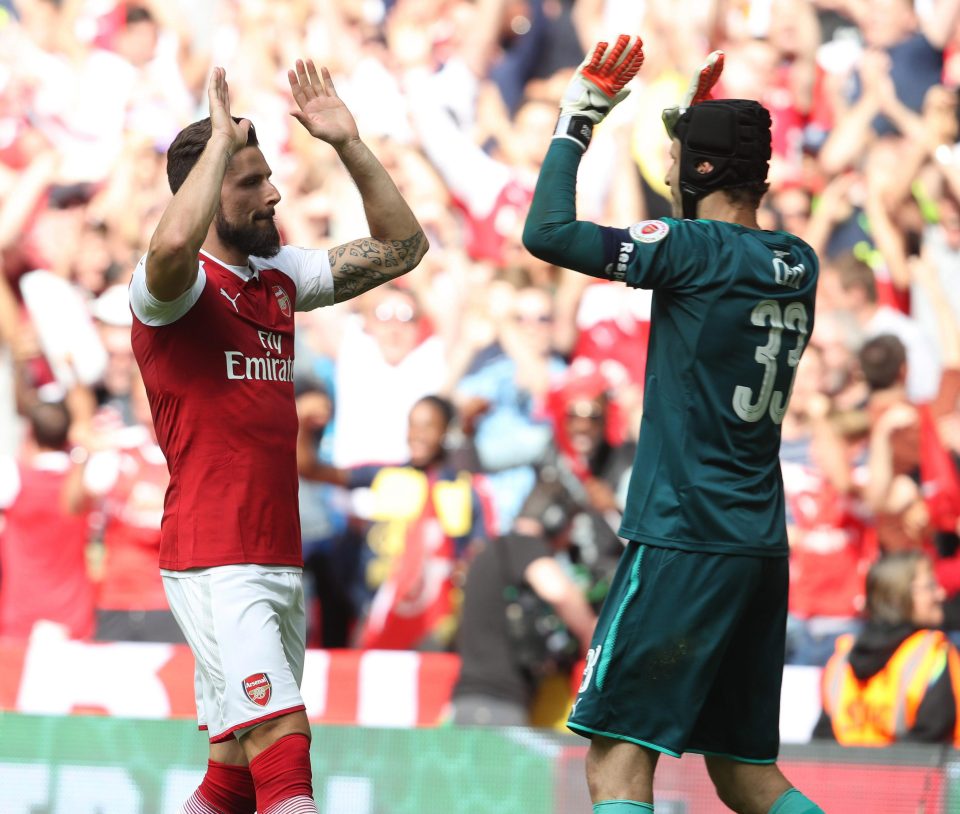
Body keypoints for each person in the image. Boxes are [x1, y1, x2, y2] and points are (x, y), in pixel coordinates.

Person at [522, 39, 824, 814]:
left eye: (677, 161)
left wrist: (579, 118)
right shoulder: (798, 260)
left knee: (616, 766)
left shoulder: (691, 252)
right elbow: (701, 243)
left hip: (682, 538)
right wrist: (697, 141)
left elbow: (548, 234)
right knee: (747, 776)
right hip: (757, 543)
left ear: (694, 175)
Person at [129, 61, 427, 814]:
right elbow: (168, 250)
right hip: (215, 555)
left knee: (231, 774)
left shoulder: (278, 277)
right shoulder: (172, 289)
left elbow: (403, 247)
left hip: (274, 552)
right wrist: (214, 153)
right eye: (248, 180)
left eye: (267, 177)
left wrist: (350, 145)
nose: (273, 193)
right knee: (286, 752)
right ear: (205, 194)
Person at [297, 394, 487, 651]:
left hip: (436, 623)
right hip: (376, 613)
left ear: (446, 431)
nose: (417, 434)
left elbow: (478, 552)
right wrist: (302, 424)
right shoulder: (385, 476)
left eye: (428, 426)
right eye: (413, 425)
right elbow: (310, 469)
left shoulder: (464, 489)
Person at [816, 551, 960, 746]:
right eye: (930, 586)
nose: (941, 594)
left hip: (849, 774)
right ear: (898, 596)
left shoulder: (842, 658)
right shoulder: (934, 653)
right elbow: (930, 742)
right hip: (920, 774)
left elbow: (822, 743)